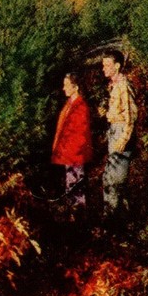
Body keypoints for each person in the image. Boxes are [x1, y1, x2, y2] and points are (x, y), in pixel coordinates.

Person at [100, 50, 137, 223]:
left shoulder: (123, 85)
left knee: (114, 180)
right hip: (114, 130)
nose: (103, 69)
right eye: (103, 65)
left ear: (117, 66)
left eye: (107, 65)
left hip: (121, 134)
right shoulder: (113, 85)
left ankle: (112, 221)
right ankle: (123, 220)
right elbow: (117, 110)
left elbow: (131, 115)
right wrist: (105, 112)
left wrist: (124, 139)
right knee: (111, 178)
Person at [50, 72, 94, 212]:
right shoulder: (70, 104)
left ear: (76, 87)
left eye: (66, 85)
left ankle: (78, 214)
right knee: (71, 183)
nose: (64, 88)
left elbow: (80, 135)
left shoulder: (80, 107)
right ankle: (74, 212)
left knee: (76, 184)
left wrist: (71, 152)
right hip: (69, 153)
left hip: (74, 154)